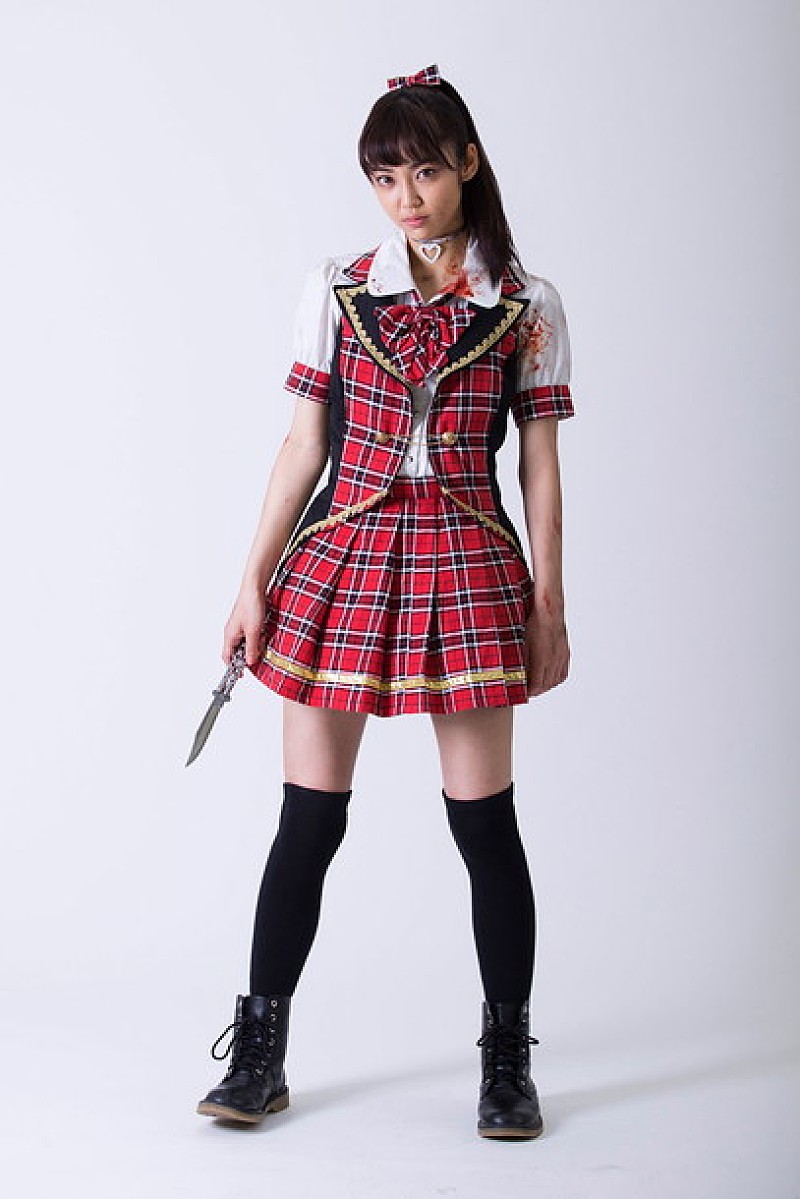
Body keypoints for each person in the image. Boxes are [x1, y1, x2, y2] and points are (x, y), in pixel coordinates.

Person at [196, 63, 574, 1141]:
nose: (405, 197)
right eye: (383, 177)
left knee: (484, 823)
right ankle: (259, 1055)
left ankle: (507, 1063)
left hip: (467, 558)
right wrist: (251, 580)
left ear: (467, 164)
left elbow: (539, 464)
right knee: (307, 819)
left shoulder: (525, 304)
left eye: (424, 172)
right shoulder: (340, 289)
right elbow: (302, 444)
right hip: (342, 555)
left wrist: (549, 602)